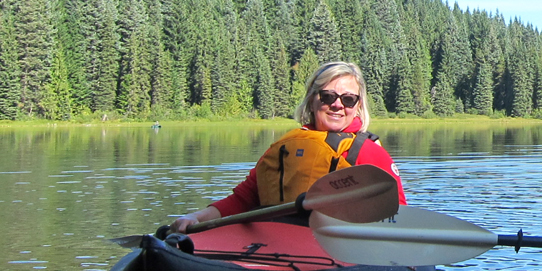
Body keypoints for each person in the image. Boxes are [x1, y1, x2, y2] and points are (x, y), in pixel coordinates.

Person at [171, 61, 406, 232]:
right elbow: (243, 199)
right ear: (312, 100)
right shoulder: (284, 148)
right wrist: (196, 217)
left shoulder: (369, 152)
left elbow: (399, 214)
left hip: (339, 250)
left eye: (347, 99)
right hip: (278, 245)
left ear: (357, 106)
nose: (337, 105)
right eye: (327, 96)